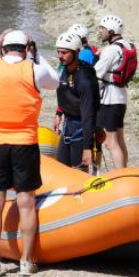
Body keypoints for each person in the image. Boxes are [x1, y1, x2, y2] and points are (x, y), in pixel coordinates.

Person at [0, 29, 59, 276]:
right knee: (26, 202)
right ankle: (26, 261)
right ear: (26, 47)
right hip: (25, 143)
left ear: (4, 47)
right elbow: (55, 81)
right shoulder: (35, 69)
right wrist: (38, 55)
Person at [94, 14, 136, 170]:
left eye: (102, 28)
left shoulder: (111, 50)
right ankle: (124, 171)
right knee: (119, 139)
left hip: (110, 100)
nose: (100, 31)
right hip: (121, 98)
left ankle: (120, 176)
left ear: (111, 31)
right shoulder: (127, 45)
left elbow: (96, 73)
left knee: (110, 142)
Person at [53, 32, 99, 172]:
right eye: (58, 52)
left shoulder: (85, 79)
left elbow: (88, 115)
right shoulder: (66, 68)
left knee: (79, 171)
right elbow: (65, 92)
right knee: (61, 168)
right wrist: (59, 113)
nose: (60, 56)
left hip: (82, 128)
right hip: (69, 124)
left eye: (64, 52)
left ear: (77, 52)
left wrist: (87, 148)